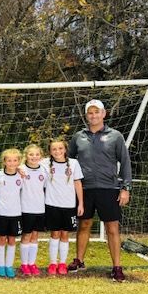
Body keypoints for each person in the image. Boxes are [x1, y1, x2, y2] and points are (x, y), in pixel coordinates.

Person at [68, 99, 132, 282]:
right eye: (90, 112)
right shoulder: (78, 137)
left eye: (97, 112)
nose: (93, 115)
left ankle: (117, 267)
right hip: (85, 189)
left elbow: (125, 162)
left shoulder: (116, 136)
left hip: (109, 188)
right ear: (86, 115)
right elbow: (69, 163)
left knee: (112, 228)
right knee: (84, 224)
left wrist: (125, 188)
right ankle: (79, 260)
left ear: (104, 114)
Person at [44, 139, 84, 275]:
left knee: (65, 234)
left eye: (60, 148)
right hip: (52, 204)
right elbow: (28, 165)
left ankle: (62, 263)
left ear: (65, 149)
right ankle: (52, 263)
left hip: (68, 205)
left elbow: (77, 183)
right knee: (55, 234)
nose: (57, 151)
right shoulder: (45, 163)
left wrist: (81, 203)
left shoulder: (73, 163)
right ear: (50, 151)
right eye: (54, 149)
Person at [18, 144, 48, 276]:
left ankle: (32, 263)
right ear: (26, 156)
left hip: (39, 208)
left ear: (41, 156)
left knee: (35, 236)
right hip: (25, 208)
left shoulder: (44, 170)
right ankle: (24, 264)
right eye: (31, 154)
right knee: (26, 235)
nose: (34, 157)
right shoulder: (21, 169)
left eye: (37, 154)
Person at [0, 148, 23, 278]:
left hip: (16, 213)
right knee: (1, 239)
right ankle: (1, 266)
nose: (12, 163)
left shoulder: (22, 175)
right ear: (4, 162)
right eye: (9, 160)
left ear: (19, 162)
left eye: (15, 160)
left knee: (12, 240)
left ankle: (9, 266)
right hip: (1, 213)